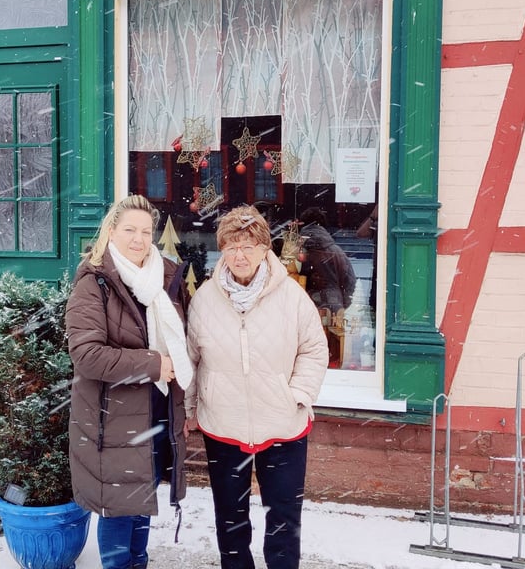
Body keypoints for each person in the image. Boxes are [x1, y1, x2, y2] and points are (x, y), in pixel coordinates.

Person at [186, 205, 329, 569]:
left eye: (249, 246)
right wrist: (190, 410)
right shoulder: (204, 299)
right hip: (223, 426)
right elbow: (191, 360)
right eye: (231, 246)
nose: (240, 255)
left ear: (265, 249)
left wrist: (298, 395)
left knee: (283, 520)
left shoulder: (293, 298)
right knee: (230, 521)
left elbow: (314, 349)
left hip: (283, 425)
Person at [66, 195, 193, 569]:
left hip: (157, 413)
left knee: (142, 504)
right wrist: (153, 366)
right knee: (120, 512)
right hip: (112, 420)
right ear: (111, 231)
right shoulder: (94, 282)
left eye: (145, 231)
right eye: (129, 230)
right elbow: (87, 356)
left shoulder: (166, 277)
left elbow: (183, 342)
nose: (139, 239)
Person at [298, 207, 357, 313]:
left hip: (303, 305)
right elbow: (350, 281)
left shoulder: (296, 251)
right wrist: (342, 304)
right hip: (334, 305)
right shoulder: (336, 251)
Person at [355, 203, 378, 315]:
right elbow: (361, 233)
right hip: (377, 269)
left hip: (382, 268)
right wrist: (373, 217)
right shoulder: (376, 220)